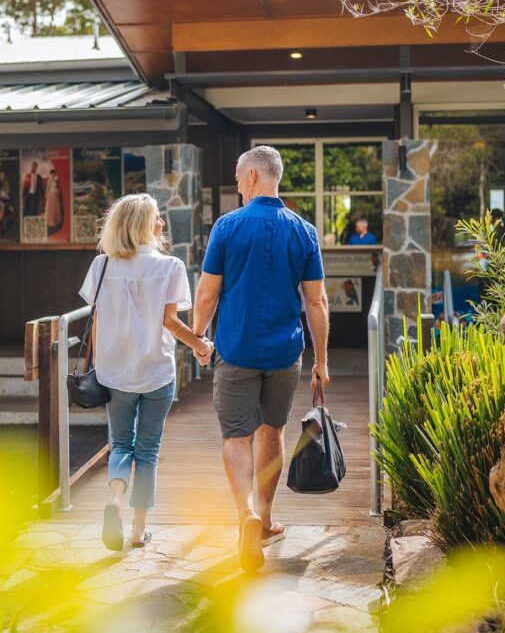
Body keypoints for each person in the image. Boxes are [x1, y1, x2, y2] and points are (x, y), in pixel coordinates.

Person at [192, 145, 329, 573]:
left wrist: (198, 337)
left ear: (252, 176)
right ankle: (267, 521)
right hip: (284, 353)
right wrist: (322, 361)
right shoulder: (304, 231)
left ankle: (246, 515)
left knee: (237, 436)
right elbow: (317, 301)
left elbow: (208, 294)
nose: (237, 186)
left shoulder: (227, 227)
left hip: (235, 350)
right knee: (272, 432)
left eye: (238, 178)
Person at [79, 193, 212, 551]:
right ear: (143, 225)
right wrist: (201, 345)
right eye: (157, 217)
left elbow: (96, 321)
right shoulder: (169, 267)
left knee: (121, 444)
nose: (162, 222)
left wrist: (98, 365)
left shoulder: (101, 266)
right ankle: (138, 531)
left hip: (115, 373)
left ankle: (114, 501)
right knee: (148, 450)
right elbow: (170, 322)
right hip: (155, 372)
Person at [45, 168, 64, 234]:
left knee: (56, 208)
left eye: (54, 174)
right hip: (51, 194)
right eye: (52, 174)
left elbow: (57, 187)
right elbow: (47, 188)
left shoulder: (55, 180)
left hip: (55, 194)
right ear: (51, 174)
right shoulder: (50, 179)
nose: (53, 175)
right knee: (52, 208)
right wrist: (46, 195)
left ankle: (56, 221)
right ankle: (51, 222)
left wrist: (57, 191)